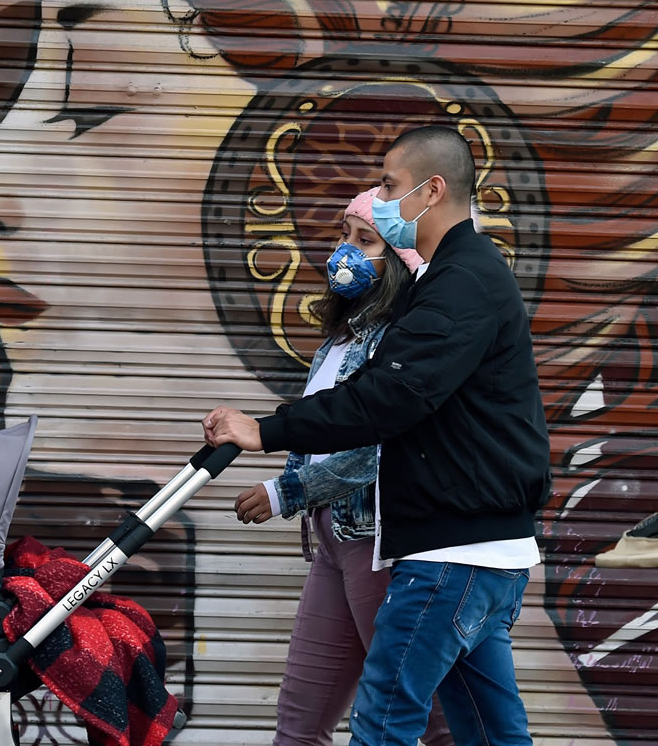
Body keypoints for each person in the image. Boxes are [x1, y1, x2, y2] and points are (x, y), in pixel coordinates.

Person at [204, 125, 552, 746]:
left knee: (383, 725)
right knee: (490, 736)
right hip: (474, 549)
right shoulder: (456, 277)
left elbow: (390, 400)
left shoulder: (460, 283)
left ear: (432, 190)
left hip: (453, 556)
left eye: (390, 186)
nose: (382, 198)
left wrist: (266, 431)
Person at [234, 187, 454, 746]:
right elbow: (322, 426)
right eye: (343, 235)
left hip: (379, 541)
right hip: (333, 541)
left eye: (364, 241)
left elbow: (380, 443)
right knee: (300, 723)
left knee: (426, 718)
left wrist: (290, 490)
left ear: (398, 261)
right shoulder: (339, 338)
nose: (343, 252)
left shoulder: (399, 341)